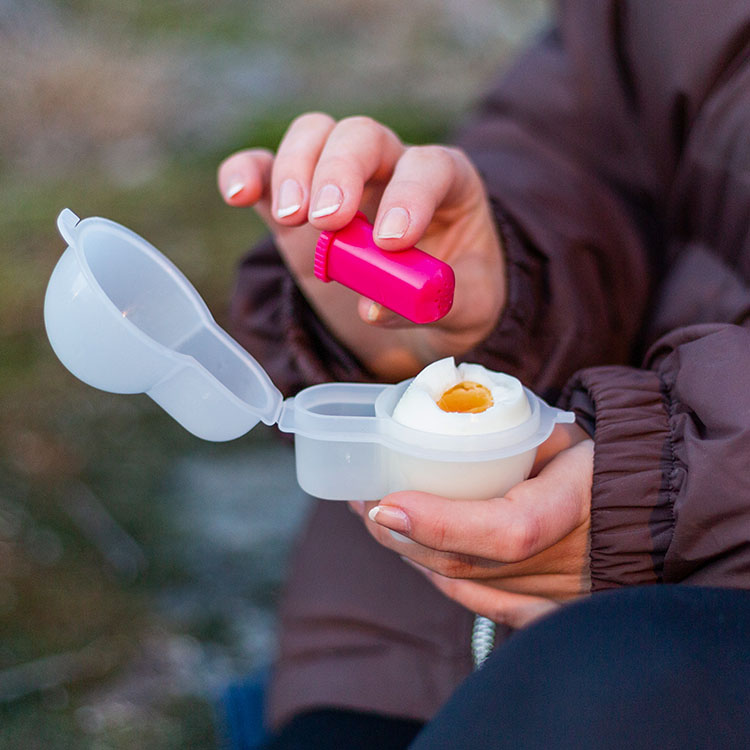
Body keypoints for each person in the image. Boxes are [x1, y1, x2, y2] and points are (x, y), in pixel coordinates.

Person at [217, 0, 750, 746]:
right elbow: (582, 141)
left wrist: (668, 492)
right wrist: (507, 282)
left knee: (609, 673)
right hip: (414, 634)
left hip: (666, 645)